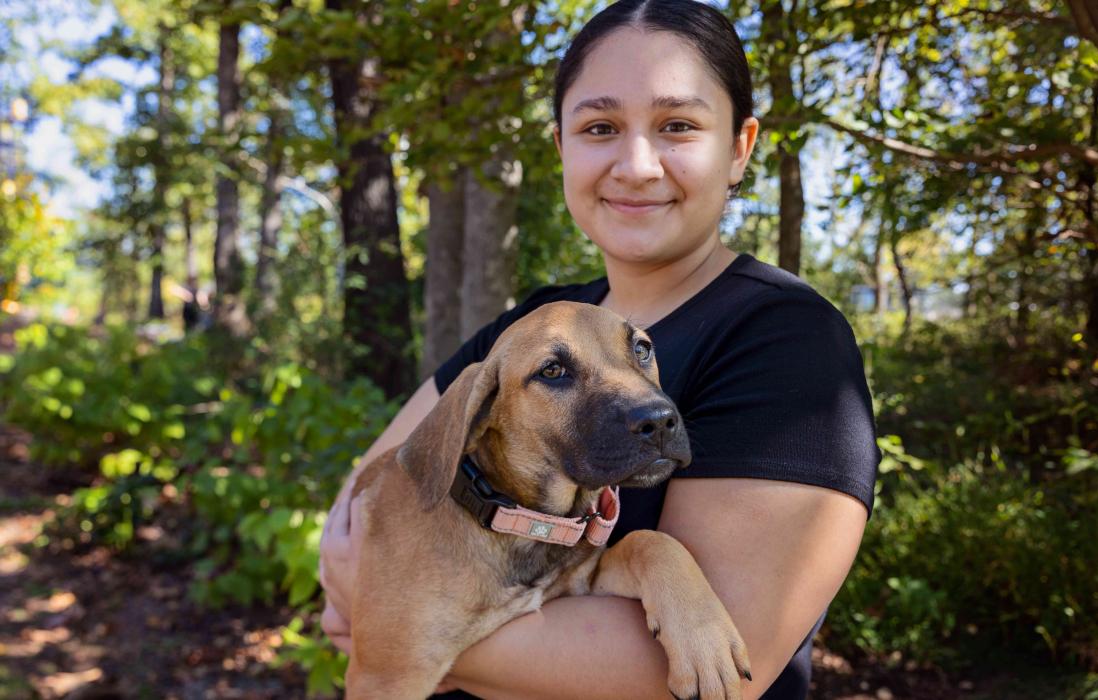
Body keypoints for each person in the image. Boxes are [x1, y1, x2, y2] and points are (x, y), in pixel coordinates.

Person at [318, 1, 880, 698]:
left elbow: (721, 673)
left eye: (677, 125)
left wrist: (401, 625)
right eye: (600, 127)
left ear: (739, 146)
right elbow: (370, 499)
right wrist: (371, 585)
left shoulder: (789, 340)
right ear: (562, 149)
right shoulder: (530, 326)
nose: (637, 165)